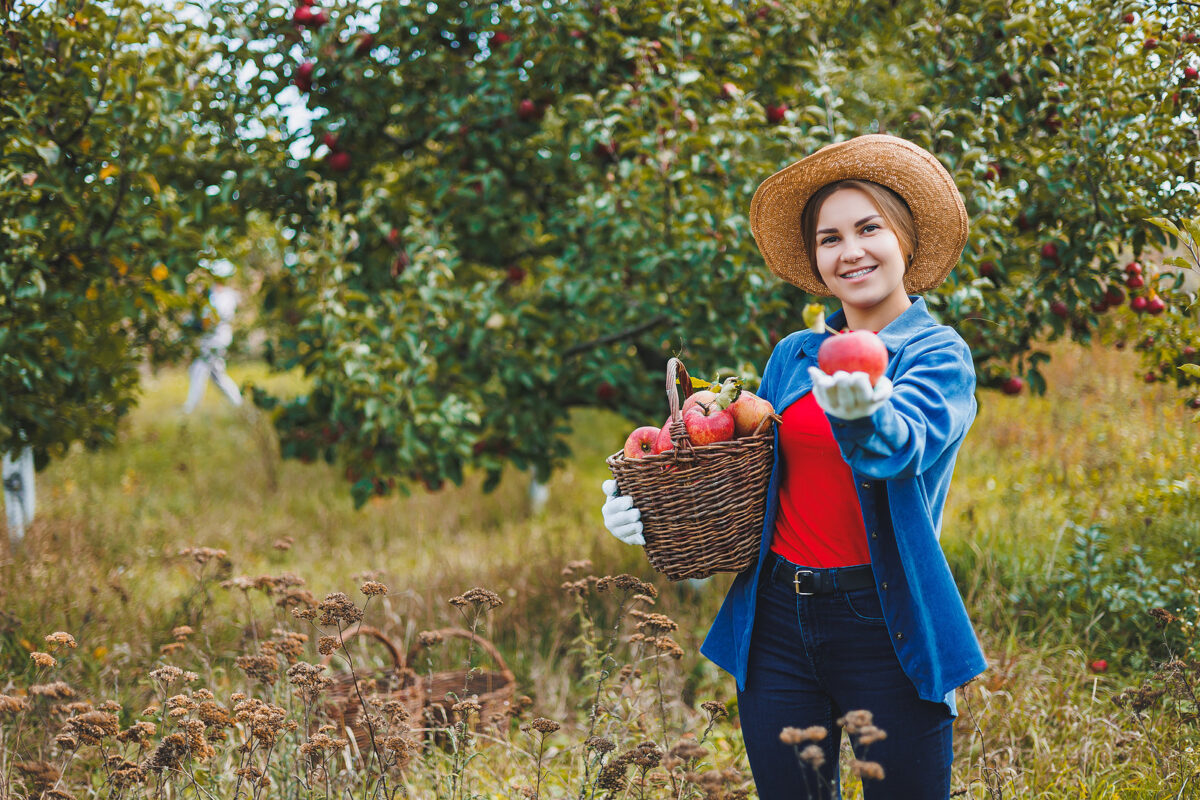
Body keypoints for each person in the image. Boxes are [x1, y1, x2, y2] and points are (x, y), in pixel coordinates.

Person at [601, 134, 987, 799]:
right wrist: (654, 497)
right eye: (829, 238)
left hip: (884, 622)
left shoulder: (937, 356)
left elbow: (901, 448)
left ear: (905, 240)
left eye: (869, 228)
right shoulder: (794, 355)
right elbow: (748, 465)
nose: (851, 250)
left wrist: (862, 412)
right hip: (778, 617)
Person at [182, 274, 244, 414]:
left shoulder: (226, 297)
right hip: (209, 339)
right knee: (217, 376)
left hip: (217, 340)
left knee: (199, 369)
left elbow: (216, 317)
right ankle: (238, 403)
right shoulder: (210, 296)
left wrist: (200, 323)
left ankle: (190, 408)